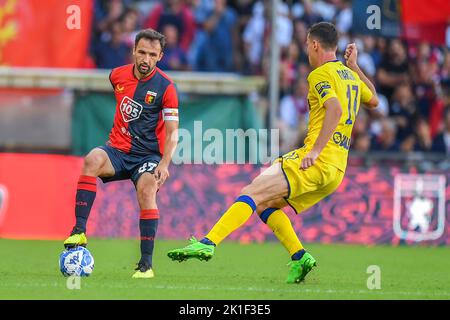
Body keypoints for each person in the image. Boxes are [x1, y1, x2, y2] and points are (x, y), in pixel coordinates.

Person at [167, 22, 378, 284]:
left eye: (307, 46)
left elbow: (333, 109)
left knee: (250, 193)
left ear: (314, 44)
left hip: (316, 159)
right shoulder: (349, 76)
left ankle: (208, 243)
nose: (307, 52)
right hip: (336, 170)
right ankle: (300, 257)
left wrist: (314, 150)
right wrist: (355, 67)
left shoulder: (320, 74)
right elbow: (374, 101)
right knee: (265, 204)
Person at [64, 29, 180, 279]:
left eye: (152, 54)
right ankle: (79, 230)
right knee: (92, 160)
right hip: (117, 150)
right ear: (133, 51)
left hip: (147, 156)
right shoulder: (116, 75)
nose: (145, 59)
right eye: (141, 52)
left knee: (147, 190)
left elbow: (172, 133)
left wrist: (165, 163)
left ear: (160, 56)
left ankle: (146, 265)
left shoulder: (166, 88)